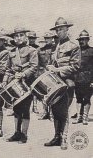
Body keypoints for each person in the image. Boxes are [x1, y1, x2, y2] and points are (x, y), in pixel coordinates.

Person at [44, 17, 80, 150]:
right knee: (55, 110)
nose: (59, 32)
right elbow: (52, 64)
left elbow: (75, 67)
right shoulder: (55, 47)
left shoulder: (74, 46)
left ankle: (64, 138)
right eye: (57, 30)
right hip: (55, 84)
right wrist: (50, 67)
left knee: (64, 112)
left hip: (67, 83)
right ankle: (56, 137)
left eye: (61, 29)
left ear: (67, 30)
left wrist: (58, 69)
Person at [2, 26, 38, 144]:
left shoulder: (31, 50)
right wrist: (4, 80)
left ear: (25, 36)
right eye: (16, 36)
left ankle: (24, 134)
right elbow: (8, 69)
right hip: (14, 84)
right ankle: (17, 133)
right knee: (16, 108)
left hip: (27, 84)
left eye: (21, 35)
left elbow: (34, 67)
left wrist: (23, 74)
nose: (18, 38)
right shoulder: (11, 52)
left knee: (25, 109)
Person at [72, 30, 93, 125]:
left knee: (87, 98)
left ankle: (85, 117)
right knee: (78, 98)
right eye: (80, 39)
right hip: (77, 78)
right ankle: (79, 118)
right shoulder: (76, 51)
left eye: (84, 39)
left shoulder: (92, 51)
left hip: (89, 78)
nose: (81, 41)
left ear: (88, 39)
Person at [37, 32, 57, 120]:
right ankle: (45, 112)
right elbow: (36, 62)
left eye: (49, 38)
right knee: (43, 94)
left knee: (52, 93)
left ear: (52, 38)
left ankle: (52, 113)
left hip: (53, 73)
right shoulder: (40, 49)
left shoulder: (56, 48)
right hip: (42, 73)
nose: (47, 40)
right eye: (46, 38)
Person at [27, 31, 40, 114]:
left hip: (35, 72)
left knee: (34, 89)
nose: (31, 40)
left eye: (33, 38)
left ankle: (35, 106)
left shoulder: (38, 48)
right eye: (30, 38)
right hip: (26, 71)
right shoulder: (26, 48)